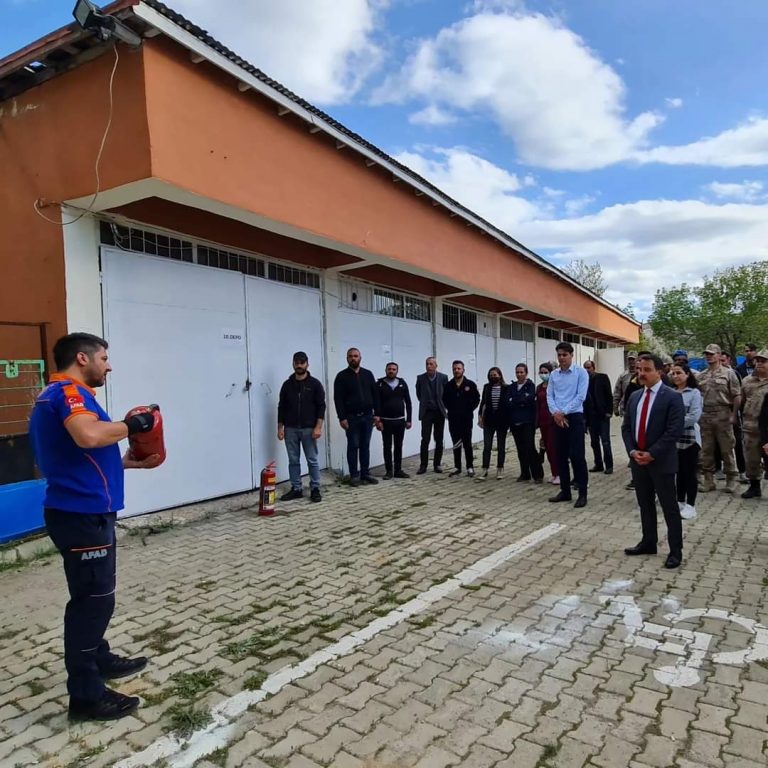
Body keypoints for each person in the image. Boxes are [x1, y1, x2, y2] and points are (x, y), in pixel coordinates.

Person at [28, 333, 160, 722]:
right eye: (104, 358)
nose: (109, 365)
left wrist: (130, 462)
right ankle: (86, 697)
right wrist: (132, 425)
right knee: (93, 602)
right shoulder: (68, 393)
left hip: (86, 512)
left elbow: (80, 453)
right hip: (81, 515)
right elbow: (87, 436)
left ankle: (98, 658)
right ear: (82, 359)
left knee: (91, 596)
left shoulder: (61, 396)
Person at [622, 354, 685, 569]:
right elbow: (626, 428)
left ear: (659, 372)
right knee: (645, 503)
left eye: (647, 370)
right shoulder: (635, 396)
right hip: (638, 461)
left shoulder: (672, 397)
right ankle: (648, 542)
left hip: (661, 461)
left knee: (669, 506)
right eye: (639, 369)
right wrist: (633, 452)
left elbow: (673, 431)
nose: (641, 374)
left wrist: (652, 453)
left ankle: (675, 550)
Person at [277, 351, 325, 502]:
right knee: (293, 460)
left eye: (302, 362)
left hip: (309, 429)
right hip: (290, 429)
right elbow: (281, 407)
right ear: (293, 364)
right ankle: (296, 488)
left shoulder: (315, 384)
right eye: (296, 362)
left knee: (312, 460)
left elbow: (321, 407)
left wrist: (318, 427)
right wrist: (280, 428)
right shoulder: (287, 385)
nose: (299, 365)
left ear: (307, 364)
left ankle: (315, 488)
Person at [547, 342, 589, 507]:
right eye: (559, 355)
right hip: (557, 418)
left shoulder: (581, 373)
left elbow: (580, 396)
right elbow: (550, 395)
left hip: (574, 417)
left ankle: (582, 493)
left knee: (577, 456)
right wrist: (556, 413)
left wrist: (563, 412)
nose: (562, 358)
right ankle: (565, 491)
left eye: (565, 355)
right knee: (560, 457)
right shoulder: (554, 374)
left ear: (571, 355)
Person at [697, 343, 742, 493]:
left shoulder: (729, 373)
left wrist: (734, 414)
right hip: (706, 414)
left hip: (723, 414)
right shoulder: (701, 375)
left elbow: (736, 395)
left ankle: (731, 478)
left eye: (711, 354)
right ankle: (709, 480)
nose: (708, 356)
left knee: (727, 448)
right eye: (707, 354)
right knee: (706, 449)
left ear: (719, 355)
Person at [333, 347, 381, 487]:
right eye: (350, 356)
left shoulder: (368, 374)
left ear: (360, 358)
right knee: (353, 446)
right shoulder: (341, 376)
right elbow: (338, 399)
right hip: (351, 418)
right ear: (347, 358)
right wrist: (342, 418)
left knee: (365, 445)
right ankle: (354, 475)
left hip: (367, 417)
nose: (353, 358)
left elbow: (375, 394)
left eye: (355, 356)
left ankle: (365, 473)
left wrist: (377, 414)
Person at [669, 363, 702, 520]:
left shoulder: (694, 393)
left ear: (687, 374)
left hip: (690, 438)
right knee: (678, 472)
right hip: (674, 439)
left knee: (689, 472)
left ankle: (691, 505)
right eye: (673, 373)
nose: (675, 376)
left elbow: (694, 416)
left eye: (679, 373)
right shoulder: (671, 392)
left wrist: (674, 423)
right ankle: (680, 501)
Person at [505, 363, 543, 483]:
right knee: (520, 449)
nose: (519, 374)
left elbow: (529, 400)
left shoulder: (530, 386)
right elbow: (508, 402)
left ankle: (537, 475)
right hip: (515, 422)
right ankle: (525, 473)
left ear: (526, 373)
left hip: (527, 422)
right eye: (517, 372)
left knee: (530, 448)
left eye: (521, 372)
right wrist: (520, 400)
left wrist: (517, 400)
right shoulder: (512, 387)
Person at [442, 360, 480, 477]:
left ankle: (470, 466)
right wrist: (452, 409)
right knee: (456, 443)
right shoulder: (449, 385)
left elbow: (477, 399)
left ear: (463, 370)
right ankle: (457, 467)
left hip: (466, 419)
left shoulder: (470, 384)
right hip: (453, 419)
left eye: (459, 368)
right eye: (454, 369)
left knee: (467, 443)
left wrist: (469, 409)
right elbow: (444, 400)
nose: (456, 371)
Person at [376, 362, 412, 480]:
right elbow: (376, 403)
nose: (391, 371)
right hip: (385, 421)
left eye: (393, 369)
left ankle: (398, 470)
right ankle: (388, 471)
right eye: (389, 369)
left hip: (400, 421)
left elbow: (408, 402)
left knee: (398, 446)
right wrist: (377, 420)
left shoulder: (402, 383)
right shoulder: (380, 384)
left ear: (397, 371)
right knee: (387, 446)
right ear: (385, 370)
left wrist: (409, 419)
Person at [740, 348, 768, 499]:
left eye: (764, 361)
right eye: (758, 361)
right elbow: (742, 401)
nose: (759, 363)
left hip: (767, 429)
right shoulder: (747, 381)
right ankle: (754, 486)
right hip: (751, 426)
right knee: (751, 458)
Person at [415, 357, 448, 474]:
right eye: (427, 364)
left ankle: (437, 464)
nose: (428, 366)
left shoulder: (443, 377)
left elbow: (446, 393)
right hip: (427, 412)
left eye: (431, 364)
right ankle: (423, 465)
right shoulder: (420, 378)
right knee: (425, 439)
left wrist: (443, 405)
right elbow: (419, 394)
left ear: (436, 366)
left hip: (439, 412)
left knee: (439, 439)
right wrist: (426, 403)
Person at [583, 360, 614, 475]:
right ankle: (598, 464)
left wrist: (609, 411)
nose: (587, 370)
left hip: (602, 415)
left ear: (593, 367)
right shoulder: (584, 381)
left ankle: (609, 465)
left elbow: (609, 395)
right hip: (591, 417)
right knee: (594, 442)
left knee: (605, 441)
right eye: (585, 368)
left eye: (589, 367)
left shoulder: (602, 377)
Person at [478, 366, 508, 480]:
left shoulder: (506, 388)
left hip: (502, 421)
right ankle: (485, 469)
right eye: (491, 375)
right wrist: (480, 416)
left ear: (500, 375)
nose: (493, 377)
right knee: (487, 446)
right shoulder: (487, 387)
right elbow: (483, 403)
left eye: (495, 375)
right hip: (489, 421)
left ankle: (500, 468)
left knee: (501, 446)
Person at [536, 362, 559, 485]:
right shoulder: (539, 387)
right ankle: (554, 473)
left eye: (546, 372)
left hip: (552, 420)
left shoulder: (555, 386)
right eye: (541, 372)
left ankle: (559, 473)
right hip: (542, 421)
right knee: (547, 449)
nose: (543, 374)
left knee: (553, 448)